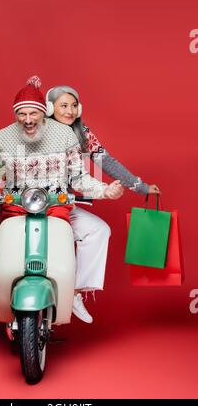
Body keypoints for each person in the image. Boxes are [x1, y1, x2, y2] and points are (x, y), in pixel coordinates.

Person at [0, 76, 123, 323]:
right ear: (16, 115)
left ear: (43, 113)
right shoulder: (3, 138)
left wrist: (106, 190)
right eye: (22, 115)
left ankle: (75, 293)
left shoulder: (64, 135)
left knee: (99, 230)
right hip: (14, 203)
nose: (28, 120)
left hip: (57, 205)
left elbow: (79, 177)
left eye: (33, 114)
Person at [45, 84, 161, 315]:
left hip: (63, 203)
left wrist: (140, 187)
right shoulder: (37, 128)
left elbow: (106, 162)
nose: (69, 111)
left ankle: (77, 292)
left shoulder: (82, 133)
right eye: (63, 105)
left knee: (99, 230)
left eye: (73, 105)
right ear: (50, 108)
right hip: (28, 201)